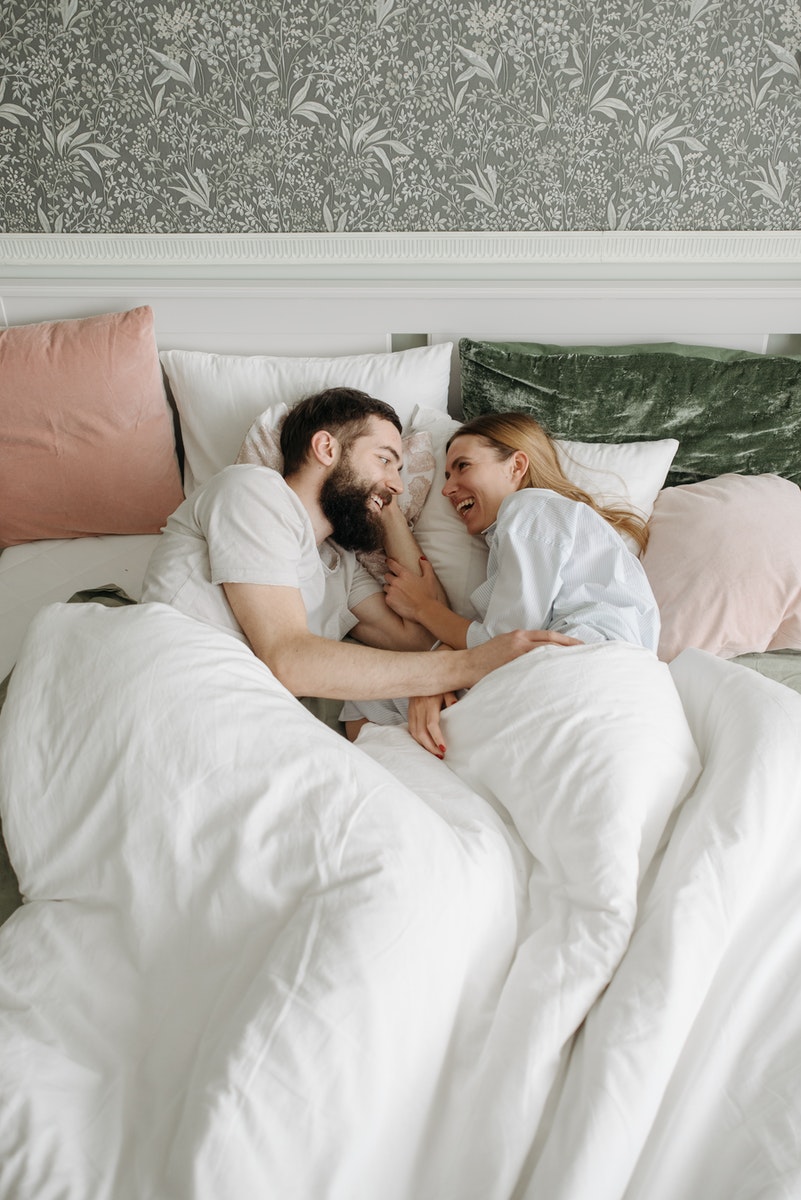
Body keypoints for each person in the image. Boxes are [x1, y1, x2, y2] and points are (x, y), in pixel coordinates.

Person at [141, 388, 571, 710]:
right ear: (326, 448)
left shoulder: (339, 567)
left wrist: (386, 506)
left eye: (400, 470)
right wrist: (471, 665)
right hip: (172, 689)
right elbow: (288, 658)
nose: (398, 483)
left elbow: (422, 640)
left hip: (240, 714)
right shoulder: (252, 489)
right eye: (384, 459)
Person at [342, 410, 660, 754]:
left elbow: (503, 644)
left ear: (516, 466)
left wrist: (424, 608)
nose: (447, 489)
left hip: (578, 669)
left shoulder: (529, 508)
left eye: (463, 466)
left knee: (364, 702)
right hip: (618, 680)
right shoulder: (553, 526)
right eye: (447, 475)